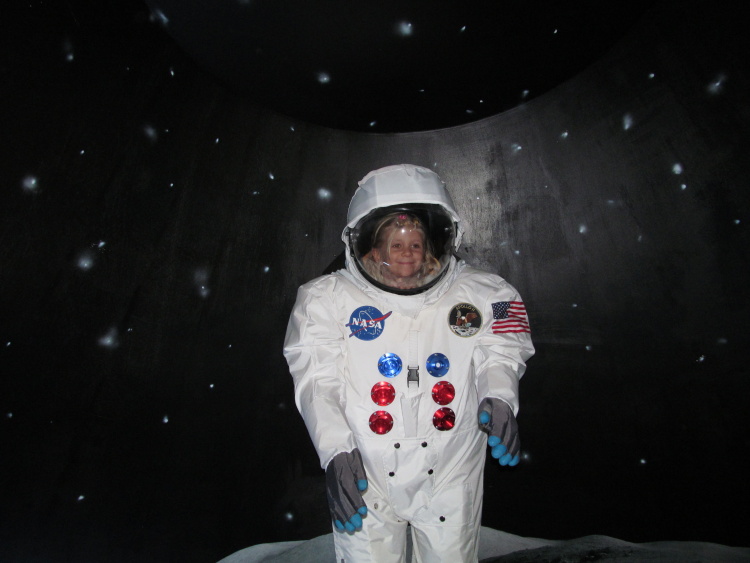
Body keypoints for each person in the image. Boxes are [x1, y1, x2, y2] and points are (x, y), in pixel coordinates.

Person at [284, 164, 534, 562]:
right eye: (395, 244)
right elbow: (317, 380)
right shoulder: (325, 300)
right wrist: (335, 451)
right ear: (371, 247)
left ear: (437, 243)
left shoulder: (489, 293)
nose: (406, 254)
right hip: (366, 467)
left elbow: (503, 350)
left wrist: (500, 397)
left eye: (415, 244)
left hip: (451, 467)